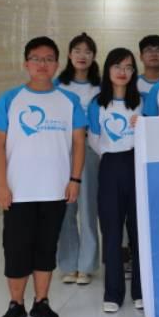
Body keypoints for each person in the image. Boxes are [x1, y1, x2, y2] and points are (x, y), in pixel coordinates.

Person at [0, 36, 86, 317]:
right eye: (36, 59)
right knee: (16, 249)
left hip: (55, 190)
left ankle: (41, 301)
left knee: (46, 247)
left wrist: (75, 179)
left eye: (49, 59)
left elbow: (79, 143)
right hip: (18, 191)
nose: (43, 64)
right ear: (26, 63)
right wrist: (1, 186)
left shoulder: (69, 101)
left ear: (57, 64)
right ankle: (15, 305)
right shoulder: (10, 99)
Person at [88, 48, 144, 313]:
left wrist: (142, 124)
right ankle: (113, 293)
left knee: (138, 230)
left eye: (128, 67)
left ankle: (141, 291)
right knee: (111, 231)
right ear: (108, 69)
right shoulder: (97, 103)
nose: (123, 72)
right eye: (117, 66)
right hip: (110, 165)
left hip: (138, 165)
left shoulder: (143, 101)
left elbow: (155, 131)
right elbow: (94, 139)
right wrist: (113, 154)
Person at [55, 33, 101, 286]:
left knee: (88, 207)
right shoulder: (58, 86)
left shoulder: (100, 87)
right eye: (77, 51)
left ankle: (87, 265)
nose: (82, 56)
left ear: (94, 56)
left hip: (90, 150)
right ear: (69, 55)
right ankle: (68, 263)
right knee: (65, 208)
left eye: (87, 51)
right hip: (63, 151)